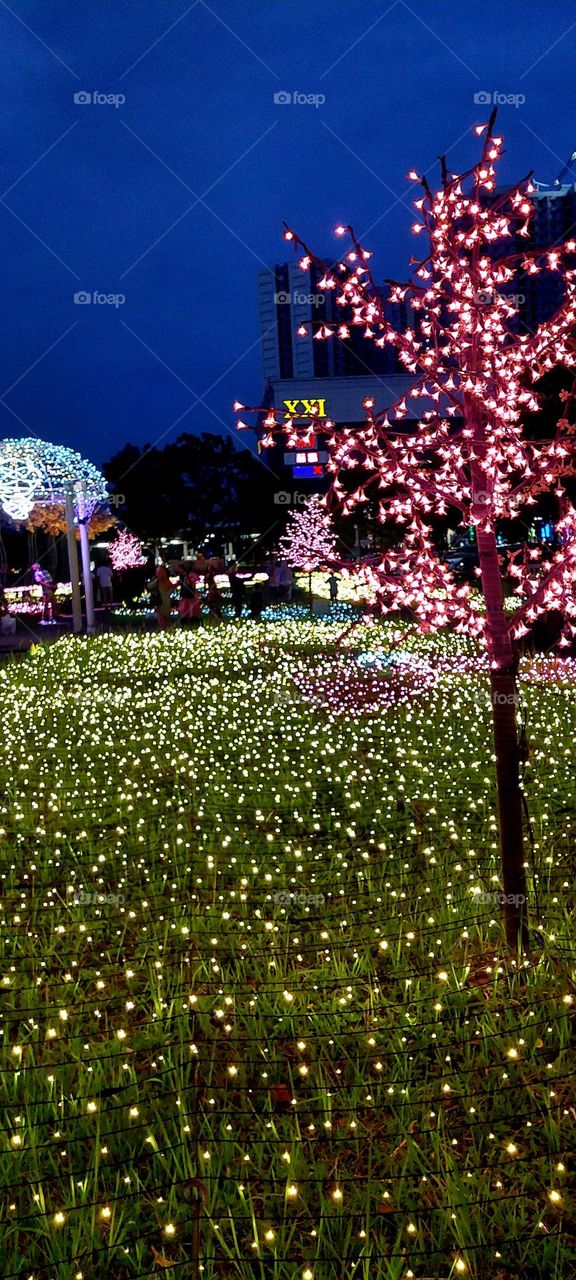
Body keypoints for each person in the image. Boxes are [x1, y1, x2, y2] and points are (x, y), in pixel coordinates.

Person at [149, 563, 172, 629]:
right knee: (162, 617)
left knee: (165, 617)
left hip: (163, 601)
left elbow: (149, 586)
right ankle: (165, 628)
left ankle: (166, 628)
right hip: (161, 602)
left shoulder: (163, 581)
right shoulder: (159, 581)